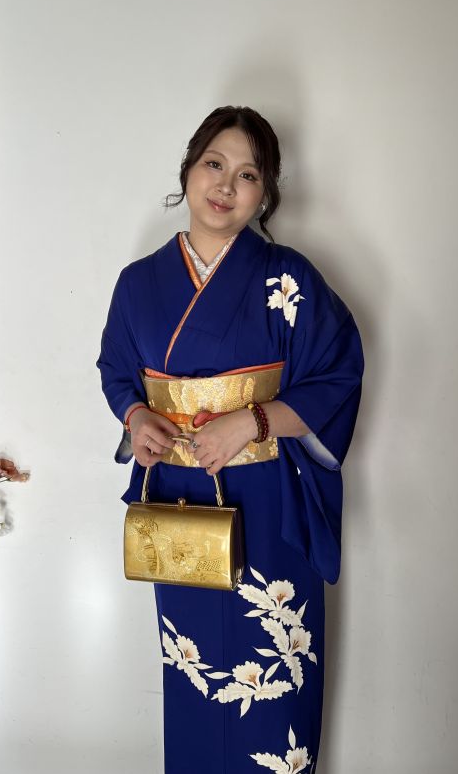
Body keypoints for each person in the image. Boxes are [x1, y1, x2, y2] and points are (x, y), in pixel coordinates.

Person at [97, 105, 364, 774]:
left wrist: (253, 420)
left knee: (275, 679)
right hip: (178, 497)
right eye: (214, 163)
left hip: (267, 497)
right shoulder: (138, 283)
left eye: (248, 173)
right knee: (195, 671)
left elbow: (338, 374)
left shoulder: (289, 279)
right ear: (189, 169)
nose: (226, 184)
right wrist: (136, 415)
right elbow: (115, 368)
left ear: (264, 192)